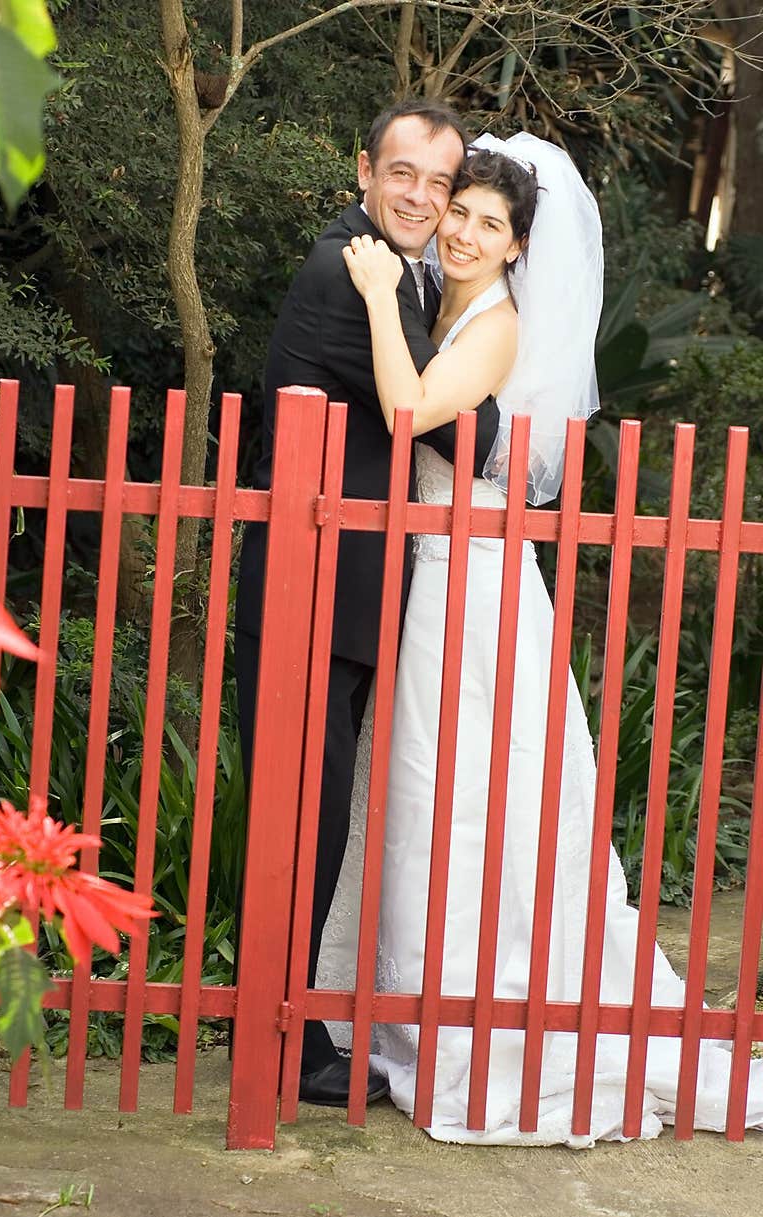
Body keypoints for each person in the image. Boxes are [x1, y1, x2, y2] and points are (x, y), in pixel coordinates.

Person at [323, 130, 763, 1145]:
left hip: (472, 588)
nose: (469, 235)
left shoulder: (496, 327)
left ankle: (497, 1019)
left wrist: (380, 293)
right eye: (461, 214)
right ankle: (417, 1004)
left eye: (491, 224)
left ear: (520, 244)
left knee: (482, 801)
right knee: (424, 795)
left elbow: (407, 407)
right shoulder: (448, 302)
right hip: (430, 582)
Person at [233, 100, 500, 1108]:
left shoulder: (394, 268)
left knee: (311, 819)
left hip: (340, 594)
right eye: (403, 174)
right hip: (310, 593)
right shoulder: (349, 278)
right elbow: (456, 432)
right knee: (303, 822)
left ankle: (287, 1025)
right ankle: (289, 1050)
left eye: (438, 182)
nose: (421, 197)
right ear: (363, 169)